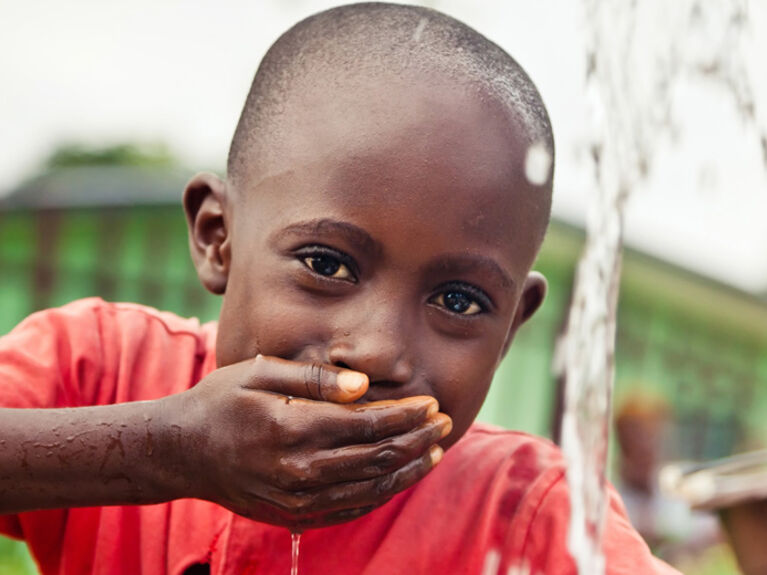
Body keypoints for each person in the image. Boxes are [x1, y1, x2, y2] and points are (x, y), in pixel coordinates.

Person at [0, 4, 679, 574]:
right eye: (326, 264)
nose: (378, 352)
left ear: (510, 329)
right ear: (217, 236)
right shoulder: (102, 371)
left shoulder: (526, 511)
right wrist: (170, 451)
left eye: (459, 301)